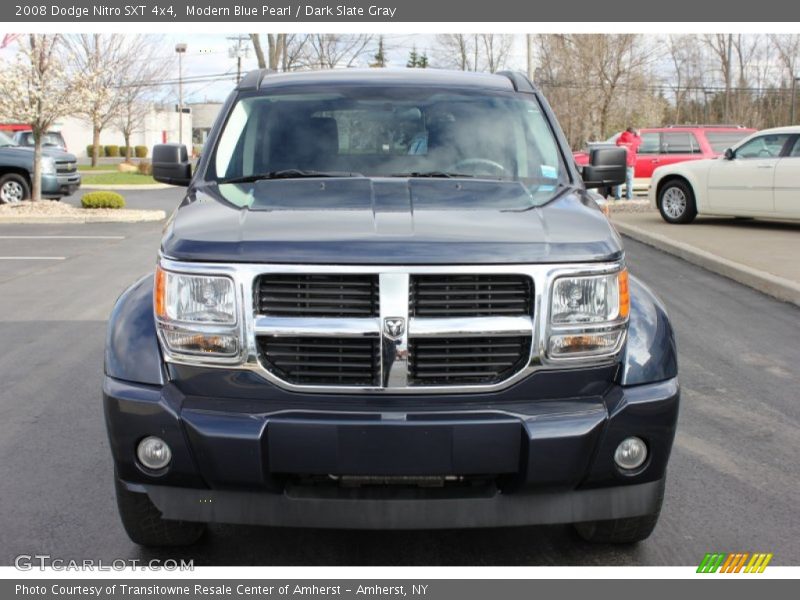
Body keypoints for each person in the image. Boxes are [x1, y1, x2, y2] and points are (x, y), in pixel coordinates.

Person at [614, 127, 641, 200]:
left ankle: (617, 197)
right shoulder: (634, 139)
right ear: (632, 133)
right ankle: (629, 198)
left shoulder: (619, 139)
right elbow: (639, 142)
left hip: (619, 162)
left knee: (618, 181)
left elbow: (617, 144)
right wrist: (638, 135)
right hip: (629, 163)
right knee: (629, 181)